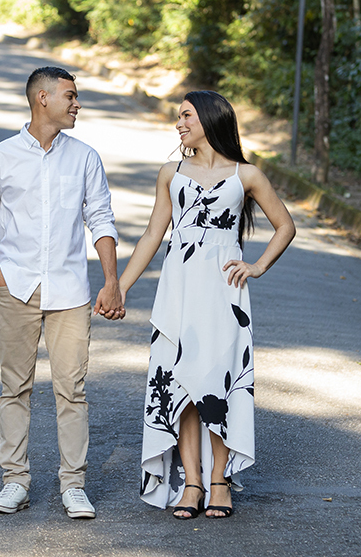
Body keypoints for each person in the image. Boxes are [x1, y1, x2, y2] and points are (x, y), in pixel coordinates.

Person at [115, 90, 295, 519]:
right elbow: (152, 235)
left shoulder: (246, 175)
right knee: (181, 383)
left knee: (217, 381)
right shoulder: (171, 173)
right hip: (178, 290)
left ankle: (220, 482)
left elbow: (285, 225)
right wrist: (119, 287)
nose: (178, 123)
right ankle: (192, 483)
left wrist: (257, 266)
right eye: (179, 117)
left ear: (210, 119)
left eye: (186, 116)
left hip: (224, 293)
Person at [0, 66, 124, 520]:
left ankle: (73, 485)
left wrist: (111, 281)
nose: (77, 104)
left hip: (70, 291)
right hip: (15, 288)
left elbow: (101, 219)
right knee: (15, 387)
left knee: (72, 390)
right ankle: (14, 481)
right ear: (43, 98)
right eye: (70, 96)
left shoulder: (85, 157)